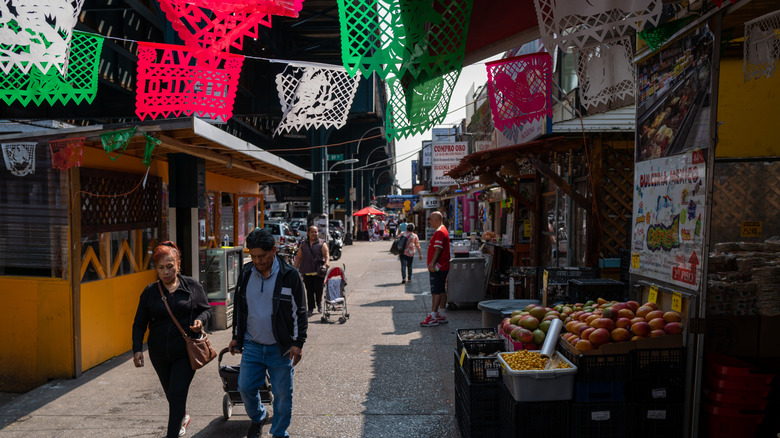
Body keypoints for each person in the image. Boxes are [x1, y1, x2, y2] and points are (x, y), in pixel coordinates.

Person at [230, 228, 307, 438]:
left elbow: (300, 311)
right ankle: (258, 417)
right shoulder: (246, 273)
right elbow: (240, 308)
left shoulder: (289, 275)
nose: (257, 261)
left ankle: (279, 433)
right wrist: (236, 336)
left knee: (282, 395)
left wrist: (298, 343)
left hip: (280, 348)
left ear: (273, 250)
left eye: (261, 256)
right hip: (252, 344)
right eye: (253, 256)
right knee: (244, 388)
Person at [132, 241, 211, 438]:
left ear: (178, 264)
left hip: (185, 353)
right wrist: (137, 349)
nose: (166, 272)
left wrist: (200, 321)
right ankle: (182, 416)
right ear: (156, 269)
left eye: (170, 266)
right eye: (161, 268)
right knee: (171, 395)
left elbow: (206, 310)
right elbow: (139, 323)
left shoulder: (191, 286)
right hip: (159, 354)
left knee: (176, 396)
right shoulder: (150, 292)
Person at [421, 211, 450, 327]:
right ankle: (441, 314)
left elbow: (438, 249)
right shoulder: (443, 230)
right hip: (443, 266)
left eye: (430, 219)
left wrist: (432, 264)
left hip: (439, 267)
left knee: (436, 291)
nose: (429, 222)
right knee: (442, 290)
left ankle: (433, 316)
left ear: (436, 220)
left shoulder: (439, 232)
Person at [294, 225, 330, 316]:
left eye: (316, 232)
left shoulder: (322, 243)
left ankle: (319, 304)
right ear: (308, 233)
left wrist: (326, 263)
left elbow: (326, 255)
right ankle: (310, 308)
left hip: (318, 272)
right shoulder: (303, 244)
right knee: (309, 291)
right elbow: (298, 257)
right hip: (307, 271)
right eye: (312, 232)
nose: (314, 234)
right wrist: (294, 268)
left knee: (318, 290)